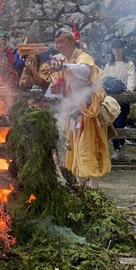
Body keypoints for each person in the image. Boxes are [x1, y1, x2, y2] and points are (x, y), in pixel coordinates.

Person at [44, 28, 111, 188]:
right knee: (73, 148)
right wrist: (57, 90)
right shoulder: (62, 61)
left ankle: (94, 186)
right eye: (57, 43)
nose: (59, 45)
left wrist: (63, 67)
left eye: (62, 41)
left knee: (88, 146)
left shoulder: (83, 57)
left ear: (72, 41)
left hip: (88, 108)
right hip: (72, 111)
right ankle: (79, 184)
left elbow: (84, 71)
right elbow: (63, 88)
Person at [103, 40, 135, 161]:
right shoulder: (108, 65)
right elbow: (105, 78)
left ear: (122, 49)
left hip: (122, 96)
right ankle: (116, 149)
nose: (116, 50)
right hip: (111, 97)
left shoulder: (128, 64)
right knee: (112, 123)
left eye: (119, 48)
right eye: (114, 48)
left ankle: (122, 147)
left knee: (121, 123)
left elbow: (131, 76)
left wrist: (130, 88)